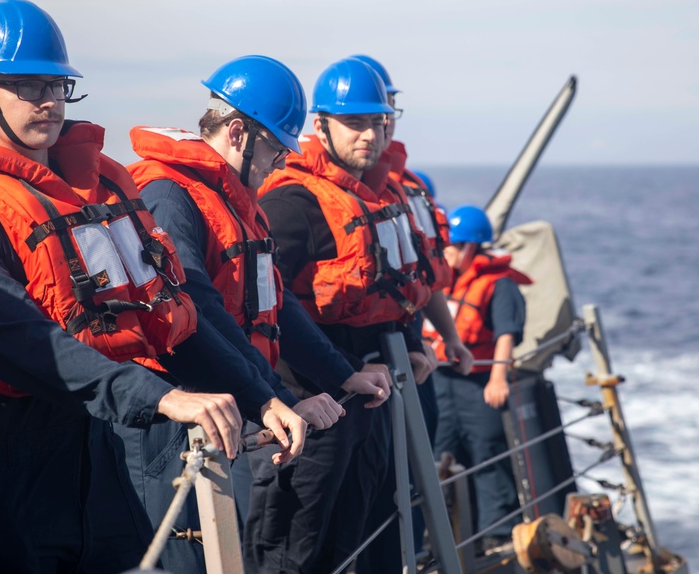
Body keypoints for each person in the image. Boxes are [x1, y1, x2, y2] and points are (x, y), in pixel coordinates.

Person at [0, 0, 249, 573]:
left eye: (58, 85)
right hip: (4, 450)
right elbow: (20, 338)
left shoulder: (104, 198)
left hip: (99, 439)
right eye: (28, 86)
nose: (49, 101)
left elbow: (170, 310)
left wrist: (265, 398)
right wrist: (154, 394)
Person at [123, 55, 391, 571]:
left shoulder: (238, 203)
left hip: (230, 409)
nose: (282, 162)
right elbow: (194, 305)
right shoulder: (169, 195)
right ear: (240, 133)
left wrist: (342, 374)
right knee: (186, 560)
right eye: (276, 149)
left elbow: (275, 305)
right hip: (177, 422)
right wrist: (274, 398)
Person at [247, 57, 436, 573]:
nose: (368, 136)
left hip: (362, 392)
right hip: (311, 397)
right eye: (354, 123)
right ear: (321, 126)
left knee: (356, 529)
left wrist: (414, 341)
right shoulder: (293, 201)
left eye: (376, 123)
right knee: (295, 539)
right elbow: (266, 303)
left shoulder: (365, 200)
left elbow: (392, 290)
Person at [349, 55, 474, 569]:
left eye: (385, 113)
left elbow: (424, 281)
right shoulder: (334, 196)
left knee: (413, 475)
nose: (381, 125)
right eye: (365, 117)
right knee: (369, 488)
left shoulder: (404, 193)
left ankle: (415, 554)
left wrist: (443, 339)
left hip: (407, 354)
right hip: (360, 366)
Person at [426, 204, 531, 551]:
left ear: (470, 246)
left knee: (487, 455)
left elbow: (506, 333)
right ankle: (438, 535)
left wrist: (498, 378)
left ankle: (497, 534)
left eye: (451, 246)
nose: (446, 252)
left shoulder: (500, 285)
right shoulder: (449, 280)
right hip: (443, 383)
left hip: (479, 385)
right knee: (440, 452)